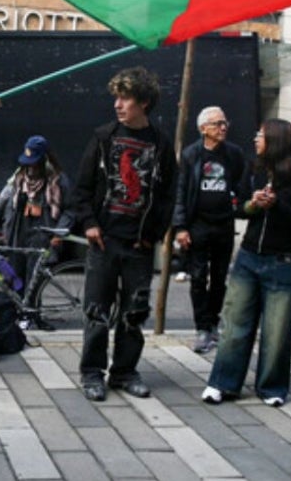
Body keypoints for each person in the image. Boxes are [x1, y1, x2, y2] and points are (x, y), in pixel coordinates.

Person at [71, 67, 176, 401]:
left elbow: (169, 195)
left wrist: (153, 234)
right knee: (97, 313)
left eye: (125, 98)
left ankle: (124, 372)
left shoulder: (161, 144)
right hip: (104, 242)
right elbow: (82, 189)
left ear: (143, 102)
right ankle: (92, 373)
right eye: (116, 97)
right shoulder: (104, 137)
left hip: (139, 246)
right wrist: (89, 223)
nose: (118, 104)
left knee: (133, 314)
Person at [202, 119, 291, 407]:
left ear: (275, 139)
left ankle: (272, 387)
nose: (255, 139)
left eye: (261, 135)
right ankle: (222, 384)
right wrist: (252, 204)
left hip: (285, 260)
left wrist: (277, 205)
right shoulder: (254, 169)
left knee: (277, 332)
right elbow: (239, 207)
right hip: (249, 257)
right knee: (234, 325)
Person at [172, 106, 246, 355]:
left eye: (225, 123)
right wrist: (180, 226)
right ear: (203, 129)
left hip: (224, 224)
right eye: (217, 124)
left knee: (219, 277)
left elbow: (240, 183)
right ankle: (201, 328)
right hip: (198, 224)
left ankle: (213, 323)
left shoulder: (233, 154)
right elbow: (181, 190)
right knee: (198, 277)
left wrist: (238, 204)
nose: (223, 128)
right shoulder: (191, 154)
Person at [0, 135, 71, 297]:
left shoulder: (57, 180)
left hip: (42, 233)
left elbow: (70, 209)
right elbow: (8, 206)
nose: (31, 166)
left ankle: (31, 309)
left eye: (34, 162)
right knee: (15, 277)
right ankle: (18, 309)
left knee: (34, 279)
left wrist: (59, 234)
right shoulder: (20, 177)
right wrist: (7, 230)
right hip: (19, 231)